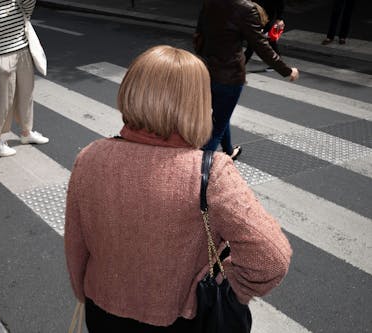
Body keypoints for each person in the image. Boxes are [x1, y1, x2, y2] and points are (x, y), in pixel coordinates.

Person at [64, 45, 292, 332]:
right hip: (181, 318)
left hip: (104, 311)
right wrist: (230, 284)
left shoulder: (90, 156)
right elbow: (271, 258)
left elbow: (76, 245)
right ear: (197, 104)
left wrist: (82, 292)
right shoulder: (212, 171)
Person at [193, 0, 299, 160]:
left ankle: (229, 151)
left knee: (221, 114)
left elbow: (199, 34)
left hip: (206, 70)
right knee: (217, 127)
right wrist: (286, 70)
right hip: (230, 75)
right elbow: (260, 45)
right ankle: (200, 172)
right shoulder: (246, 9)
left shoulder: (210, 3)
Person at [0, 0, 49, 157]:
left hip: (24, 54)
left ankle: (26, 132)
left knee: (26, 96)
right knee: (3, 101)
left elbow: (29, 5)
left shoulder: (16, 2)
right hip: (2, 58)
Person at [244, 0, 286, 65]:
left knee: (253, 42)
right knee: (269, 40)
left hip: (265, 16)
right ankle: (278, 61)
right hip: (255, 14)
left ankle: (240, 65)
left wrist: (280, 18)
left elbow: (280, 3)